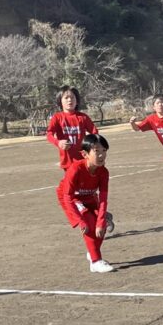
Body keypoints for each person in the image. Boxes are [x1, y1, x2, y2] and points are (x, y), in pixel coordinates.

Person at [47, 85, 114, 232]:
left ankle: (97, 217)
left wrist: (92, 147)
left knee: (85, 191)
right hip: (68, 164)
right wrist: (58, 142)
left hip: (85, 163)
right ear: (60, 101)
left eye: (72, 97)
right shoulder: (57, 118)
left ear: (77, 101)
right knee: (74, 194)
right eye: (66, 97)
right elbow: (49, 134)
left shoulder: (82, 117)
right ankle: (98, 217)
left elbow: (94, 132)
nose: (70, 100)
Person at [63, 134, 115, 273]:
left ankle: (92, 253)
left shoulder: (103, 172)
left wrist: (101, 220)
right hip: (73, 199)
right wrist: (80, 221)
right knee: (89, 222)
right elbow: (67, 196)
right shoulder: (75, 169)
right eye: (96, 151)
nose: (101, 155)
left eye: (104, 151)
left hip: (90, 198)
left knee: (101, 223)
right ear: (85, 154)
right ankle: (96, 260)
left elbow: (103, 197)